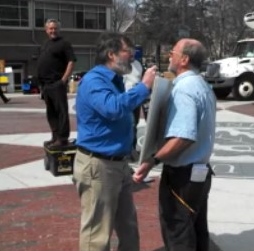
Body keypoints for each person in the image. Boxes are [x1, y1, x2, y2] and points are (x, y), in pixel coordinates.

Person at [73, 32, 157, 251]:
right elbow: (113, 108)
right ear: (111, 54)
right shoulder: (94, 80)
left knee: (128, 226)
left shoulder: (115, 80)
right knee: (97, 233)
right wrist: (144, 87)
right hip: (99, 166)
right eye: (127, 51)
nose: (132, 56)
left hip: (118, 164)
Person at [133, 38, 217, 251]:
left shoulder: (184, 90)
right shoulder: (202, 85)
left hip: (182, 177)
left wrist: (153, 160)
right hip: (199, 173)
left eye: (173, 52)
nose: (169, 55)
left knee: (178, 232)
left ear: (184, 59)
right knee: (197, 230)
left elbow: (184, 136)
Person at [37, 18, 76, 147]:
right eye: (50, 28)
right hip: (46, 85)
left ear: (58, 29)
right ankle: (55, 136)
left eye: (55, 28)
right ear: (46, 30)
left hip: (57, 83)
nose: (53, 31)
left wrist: (63, 80)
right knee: (51, 112)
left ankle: (63, 138)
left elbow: (71, 61)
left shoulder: (64, 44)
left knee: (61, 112)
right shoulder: (45, 44)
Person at [123, 58, 143, 160]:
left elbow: (140, 80)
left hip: (135, 99)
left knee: (134, 125)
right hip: (123, 98)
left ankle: (132, 149)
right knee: (128, 124)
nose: (132, 53)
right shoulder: (119, 63)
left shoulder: (138, 64)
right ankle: (126, 150)